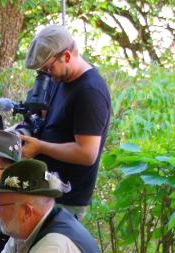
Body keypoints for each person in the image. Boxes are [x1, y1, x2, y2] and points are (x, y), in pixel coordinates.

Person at [18, 24, 112, 219]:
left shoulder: (90, 92)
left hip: (66, 202)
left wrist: (40, 147)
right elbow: (46, 120)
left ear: (67, 56)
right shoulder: (60, 79)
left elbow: (87, 153)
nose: (46, 73)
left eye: (48, 67)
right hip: (44, 191)